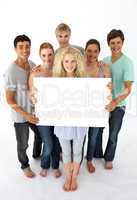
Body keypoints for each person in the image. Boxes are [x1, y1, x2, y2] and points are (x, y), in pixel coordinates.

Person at [95, 29, 134, 169]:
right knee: (98, 130)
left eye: (118, 42)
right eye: (112, 43)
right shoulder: (104, 61)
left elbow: (128, 88)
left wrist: (115, 102)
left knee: (113, 134)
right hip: (103, 103)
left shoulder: (127, 63)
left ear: (122, 42)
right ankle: (97, 154)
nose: (115, 45)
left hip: (118, 104)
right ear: (108, 44)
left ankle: (109, 157)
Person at [4, 35, 42, 178]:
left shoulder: (32, 65)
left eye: (27, 46)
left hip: (34, 112)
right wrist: (25, 115)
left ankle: (36, 155)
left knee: (41, 135)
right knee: (23, 144)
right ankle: (25, 165)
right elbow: (9, 99)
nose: (25, 50)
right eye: (21, 47)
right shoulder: (11, 71)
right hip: (20, 116)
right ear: (15, 49)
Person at [53, 47, 88, 191]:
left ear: (78, 62)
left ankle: (74, 177)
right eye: (66, 61)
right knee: (66, 152)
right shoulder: (55, 81)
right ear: (61, 62)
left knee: (78, 151)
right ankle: (68, 177)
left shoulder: (84, 80)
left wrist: (106, 93)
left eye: (73, 61)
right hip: (63, 123)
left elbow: (92, 100)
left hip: (79, 123)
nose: (70, 64)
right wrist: (37, 96)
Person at [28, 42, 61, 178]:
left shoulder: (58, 70)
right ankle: (44, 165)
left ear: (53, 54)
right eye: (44, 55)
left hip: (58, 113)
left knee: (56, 140)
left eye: (49, 54)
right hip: (42, 115)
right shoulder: (35, 72)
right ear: (40, 56)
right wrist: (34, 98)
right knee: (48, 143)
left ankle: (55, 166)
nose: (47, 58)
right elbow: (31, 95)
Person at [85, 39, 111, 173]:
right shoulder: (80, 66)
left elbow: (109, 89)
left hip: (98, 109)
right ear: (85, 51)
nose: (92, 54)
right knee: (81, 136)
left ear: (99, 52)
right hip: (82, 108)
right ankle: (77, 159)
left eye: (95, 51)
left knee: (93, 136)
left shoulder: (104, 67)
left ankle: (89, 160)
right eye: (89, 50)